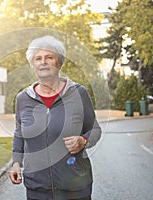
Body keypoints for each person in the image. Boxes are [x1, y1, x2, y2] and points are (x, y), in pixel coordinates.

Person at [9, 35, 102, 200]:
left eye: (49, 57)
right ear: (33, 65)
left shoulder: (78, 93)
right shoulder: (23, 98)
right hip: (37, 187)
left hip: (75, 186)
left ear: (59, 63)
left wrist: (83, 140)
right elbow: (19, 134)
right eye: (38, 58)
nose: (43, 62)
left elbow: (94, 129)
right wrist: (16, 163)